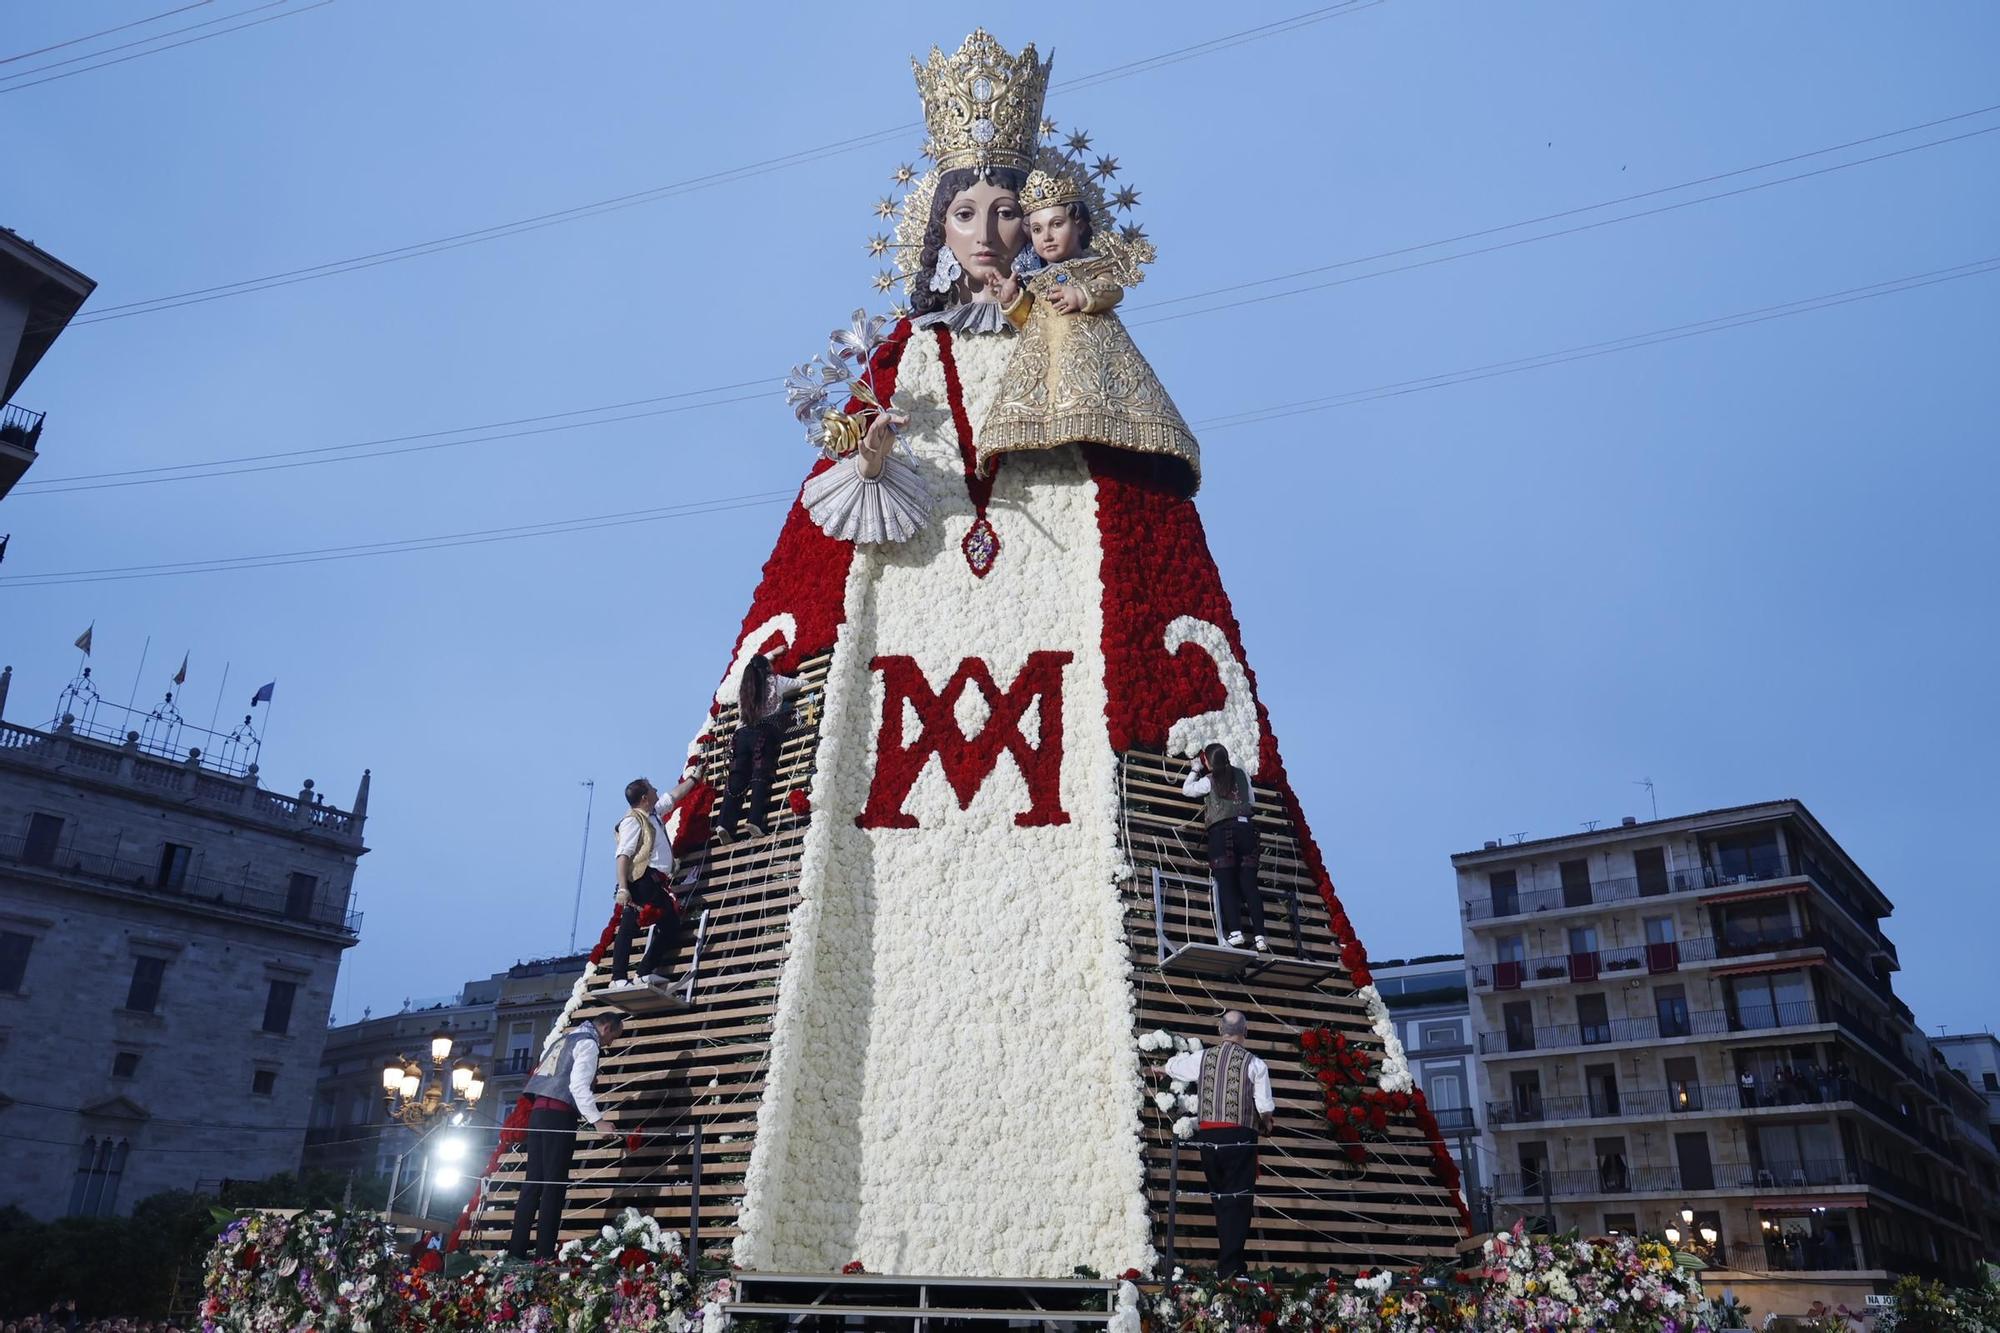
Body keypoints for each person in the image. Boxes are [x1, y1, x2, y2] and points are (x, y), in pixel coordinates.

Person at [979, 165, 1198, 483]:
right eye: (1037, 230)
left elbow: (1111, 289)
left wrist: (1081, 295)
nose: (1048, 237)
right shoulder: (1036, 280)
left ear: (1078, 224)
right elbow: (1030, 319)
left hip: (1095, 359)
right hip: (1047, 366)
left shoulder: (1092, 265)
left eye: (1056, 224)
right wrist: (1012, 300)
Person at [1160, 1011, 1275, 1280]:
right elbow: (1265, 1106)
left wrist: (1161, 1069)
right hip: (1239, 1137)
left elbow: (1176, 1068)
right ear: (1245, 1031)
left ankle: (1228, 1264)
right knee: (1239, 1200)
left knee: (1221, 1199)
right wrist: (1267, 1123)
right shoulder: (1255, 1063)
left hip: (1209, 1138)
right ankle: (1231, 1268)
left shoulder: (1202, 1058)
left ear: (1219, 1029)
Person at [507, 1011, 623, 1261]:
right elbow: (577, 1086)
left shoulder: (563, 1039)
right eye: (614, 1036)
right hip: (559, 1116)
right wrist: (598, 1121)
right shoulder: (589, 1044)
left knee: (532, 1184)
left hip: (538, 1114)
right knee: (554, 1187)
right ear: (606, 1028)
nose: (611, 1044)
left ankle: (515, 1252)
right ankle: (544, 1254)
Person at [611, 775, 699, 986]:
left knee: (669, 924)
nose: (656, 789)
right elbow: (623, 855)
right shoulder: (633, 821)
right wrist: (623, 888)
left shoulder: (652, 813)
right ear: (644, 797)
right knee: (629, 925)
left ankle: (642, 972)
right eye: (651, 789)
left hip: (655, 882)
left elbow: (673, 796)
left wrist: (695, 779)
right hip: (642, 880)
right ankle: (618, 977)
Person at [1182, 742, 1267, 951]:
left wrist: (1195, 769)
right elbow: (1252, 801)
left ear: (1208, 762)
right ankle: (1260, 937)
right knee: (1250, 886)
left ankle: (1236, 933)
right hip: (1247, 831)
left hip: (1223, 833)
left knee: (1227, 883)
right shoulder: (1242, 775)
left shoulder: (1209, 780)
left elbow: (1187, 790)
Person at [714, 654, 804, 842]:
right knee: (759, 776)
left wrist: (769, 654)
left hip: (740, 735)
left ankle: (724, 824)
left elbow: (753, 664)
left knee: (736, 780)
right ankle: (754, 820)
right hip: (763, 734)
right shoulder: (775, 681)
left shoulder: (745, 686)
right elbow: (801, 684)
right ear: (767, 667)